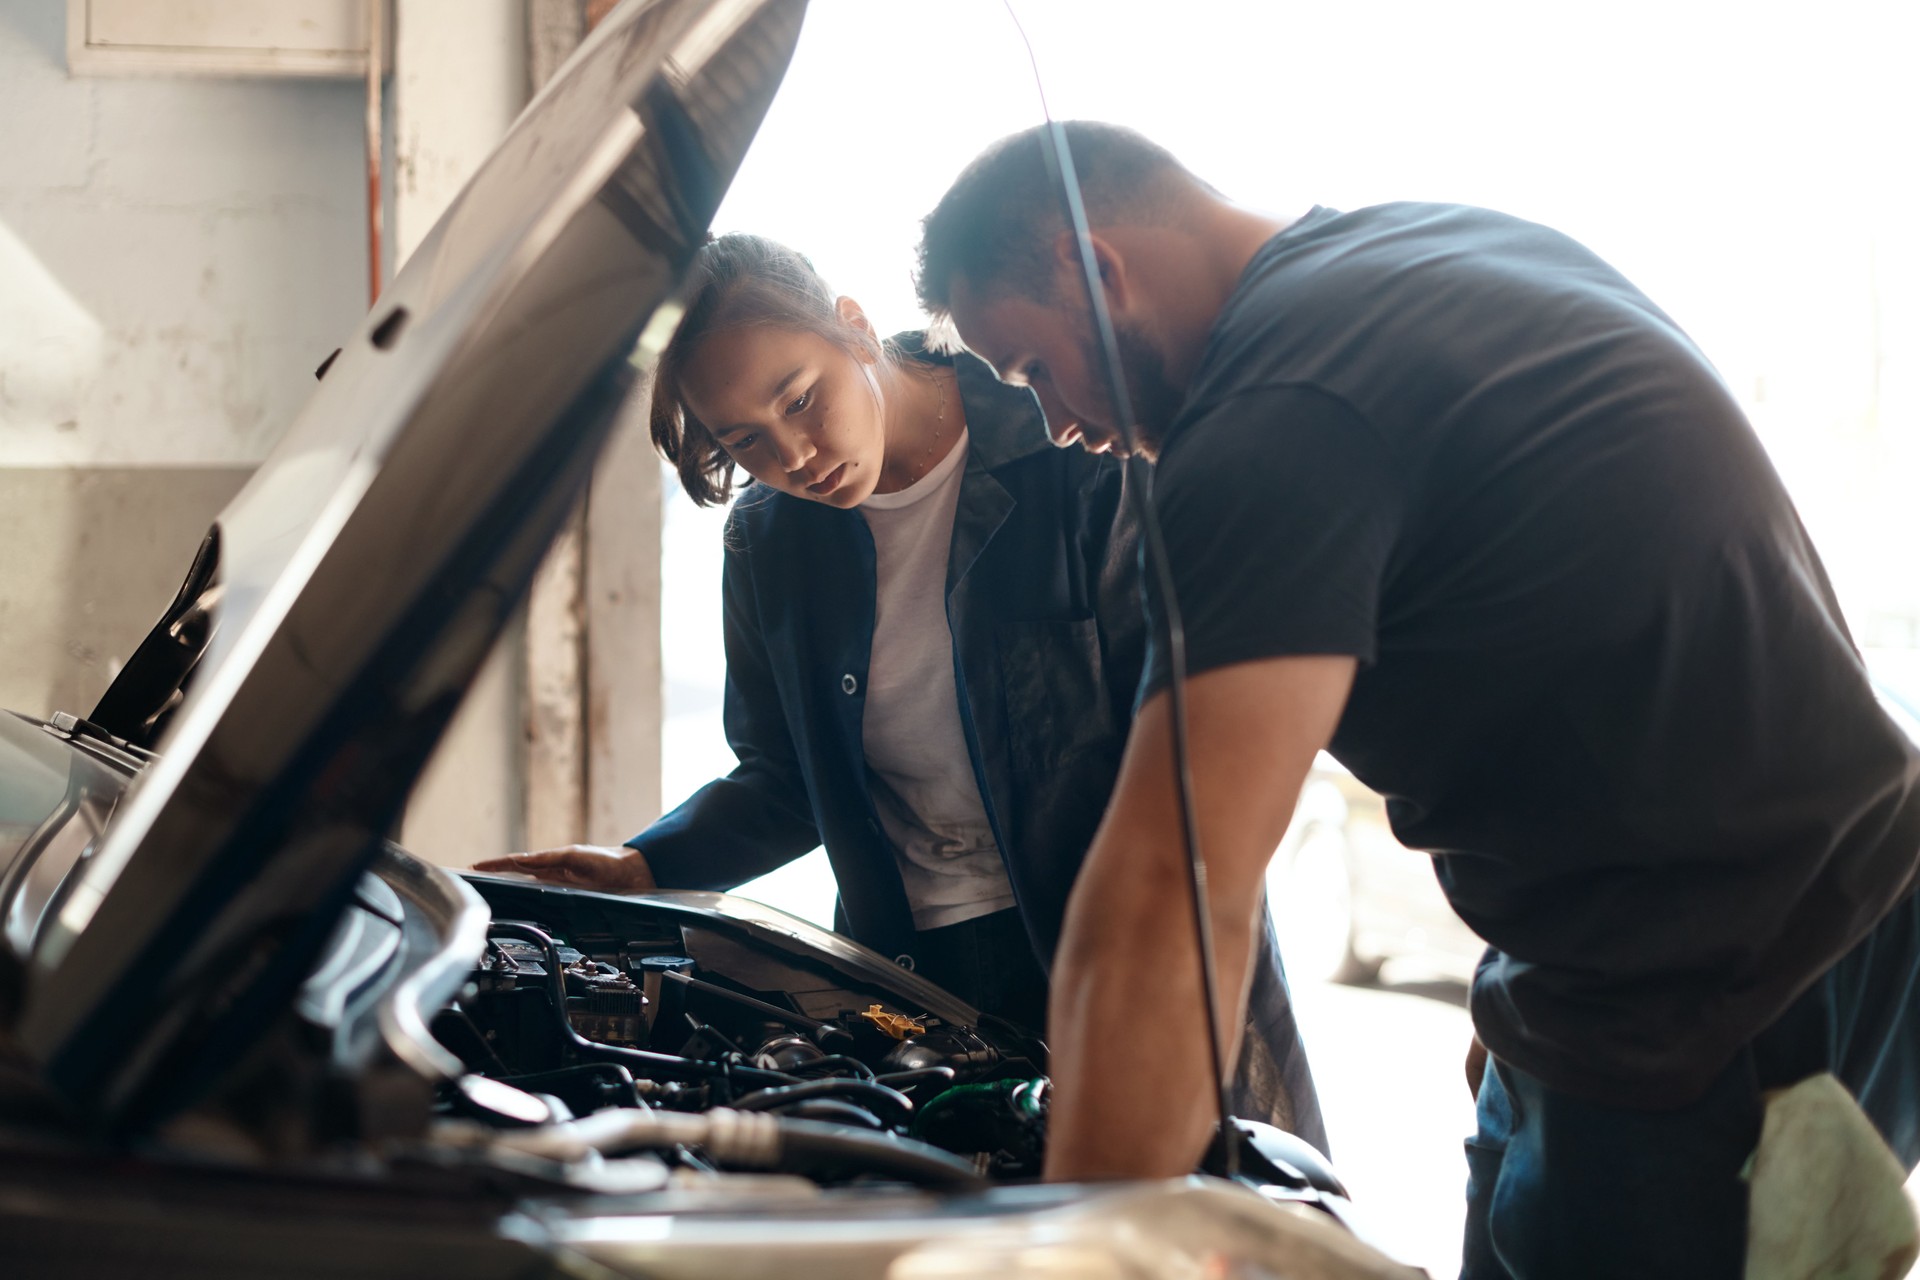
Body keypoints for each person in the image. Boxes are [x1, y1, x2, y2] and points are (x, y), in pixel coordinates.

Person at [914, 122, 1920, 1276]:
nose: (1053, 425)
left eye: (1035, 368)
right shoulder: (1428, 251)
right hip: (1713, 926)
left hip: (1734, 974)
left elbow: (1169, 888)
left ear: (1096, 268)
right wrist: (1523, 985)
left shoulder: (1276, 412)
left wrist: (1076, 1247)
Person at [474, 232, 1326, 1150]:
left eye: (801, 399)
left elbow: (1185, 747)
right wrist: (649, 866)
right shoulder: (771, 545)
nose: (795, 454)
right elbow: (785, 778)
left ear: (854, 327)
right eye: (745, 441)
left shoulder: (1072, 444)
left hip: (1122, 950)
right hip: (915, 979)